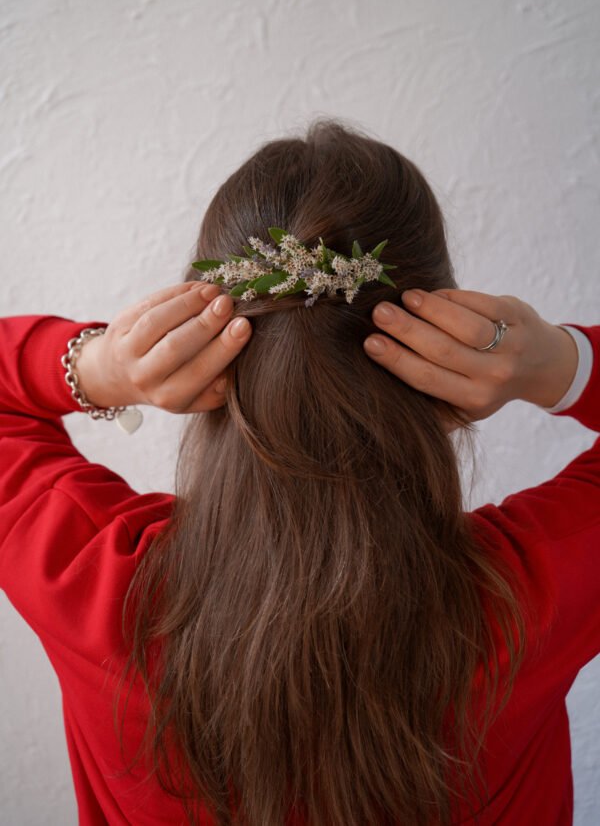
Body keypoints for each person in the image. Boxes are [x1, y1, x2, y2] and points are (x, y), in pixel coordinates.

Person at [0, 118, 597, 826]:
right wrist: (560, 366)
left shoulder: (99, 590)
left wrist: (99, 368)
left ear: (208, 354)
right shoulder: (531, 597)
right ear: (444, 362)